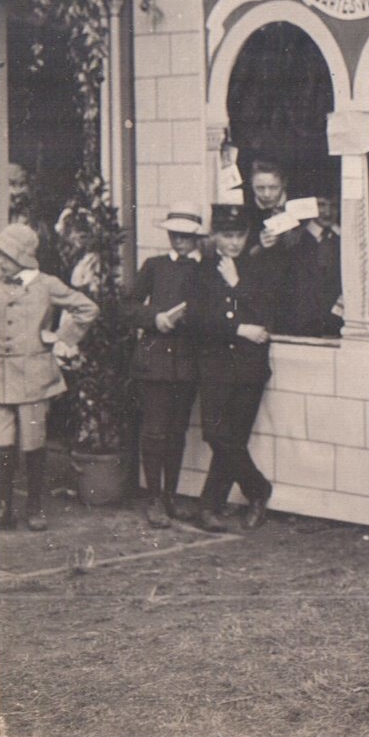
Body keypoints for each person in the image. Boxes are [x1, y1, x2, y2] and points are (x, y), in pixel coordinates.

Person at [0, 223, 97, 532]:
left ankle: (35, 506)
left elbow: (87, 308)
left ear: (24, 258)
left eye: (7, 256)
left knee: (33, 439)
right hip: (2, 374)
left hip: (34, 375)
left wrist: (59, 338)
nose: (0, 261)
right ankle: (4, 508)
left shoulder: (46, 284)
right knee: (0, 438)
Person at [183, 204, 279, 533]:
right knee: (216, 434)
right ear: (214, 236)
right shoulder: (201, 271)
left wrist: (237, 284)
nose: (234, 242)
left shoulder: (258, 268)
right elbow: (194, 320)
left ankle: (209, 506)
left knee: (234, 438)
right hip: (216, 366)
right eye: (227, 235)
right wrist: (238, 329)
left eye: (240, 235)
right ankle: (258, 489)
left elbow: (268, 314)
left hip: (249, 369)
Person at [120, 203, 206, 528]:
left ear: (196, 238)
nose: (179, 242)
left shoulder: (206, 269)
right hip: (154, 362)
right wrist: (154, 318)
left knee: (177, 432)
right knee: (154, 430)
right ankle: (153, 496)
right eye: (174, 235)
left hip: (187, 361)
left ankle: (170, 495)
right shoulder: (154, 266)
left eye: (186, 236)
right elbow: (126, 306)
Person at [275, 189, 344, 338]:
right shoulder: (293, 240)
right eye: (321, 205)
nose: (327, 212)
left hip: (334, 329)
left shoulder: (344, 240)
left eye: (333, 205)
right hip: (297, 328)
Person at [245, 161, 290, 259]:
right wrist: (260, 246)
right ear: (251, 184)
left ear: (284, 183)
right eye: (260, 188)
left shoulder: (297, 204)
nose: (267, 194)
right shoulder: (245, 208)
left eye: (273, 187)